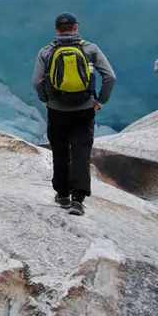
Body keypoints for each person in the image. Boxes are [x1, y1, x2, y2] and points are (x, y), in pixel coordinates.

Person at [32, 13, 116, 216]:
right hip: (84, 110)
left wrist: (46, 100)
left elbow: (37, 81)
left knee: (60, 152)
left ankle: (62, 195)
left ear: (56, 29)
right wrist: (100, 102)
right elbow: (110, 77)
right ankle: (77, 200)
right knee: (81, 153)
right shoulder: (90, 49)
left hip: (57, 111)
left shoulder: (46, 51)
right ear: (76, 27)